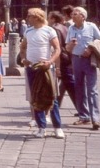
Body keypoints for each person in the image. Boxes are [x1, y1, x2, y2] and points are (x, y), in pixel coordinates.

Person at [19, 8, 64, 139]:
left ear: (37, 17)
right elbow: (22, 48)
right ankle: (41, 128)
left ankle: (57, 128)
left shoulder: (49, 30)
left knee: (52, 97)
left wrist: (50, 62)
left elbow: (57, 49)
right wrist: (23, 59)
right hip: (32, 68)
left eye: (29, 16)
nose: (27, 18)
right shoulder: (28, 30)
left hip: (46, 68)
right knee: (35, 97)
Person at [66, 6, 100, 130]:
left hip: (89, 60)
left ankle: (96, 119)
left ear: (83, 16)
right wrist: (71, 45)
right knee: (79, 88)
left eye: (75, 13)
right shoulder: (71, 28)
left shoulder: (91, 27)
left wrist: (90, 48)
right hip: (76, 59)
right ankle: (84, 116)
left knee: (92, 89)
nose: (72, 15)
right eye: (72, 13)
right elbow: (67, 48)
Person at [48, 11, 76, 109]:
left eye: (49, 17)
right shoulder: (64, 27)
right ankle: (56, 104)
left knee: (69, 84)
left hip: (62, 59)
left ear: (53, 19)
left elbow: (58, 48)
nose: (48, 19)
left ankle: (82, 109)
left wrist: (58, 66)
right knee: (64, 84)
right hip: (68, 57)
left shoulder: (55, 29)